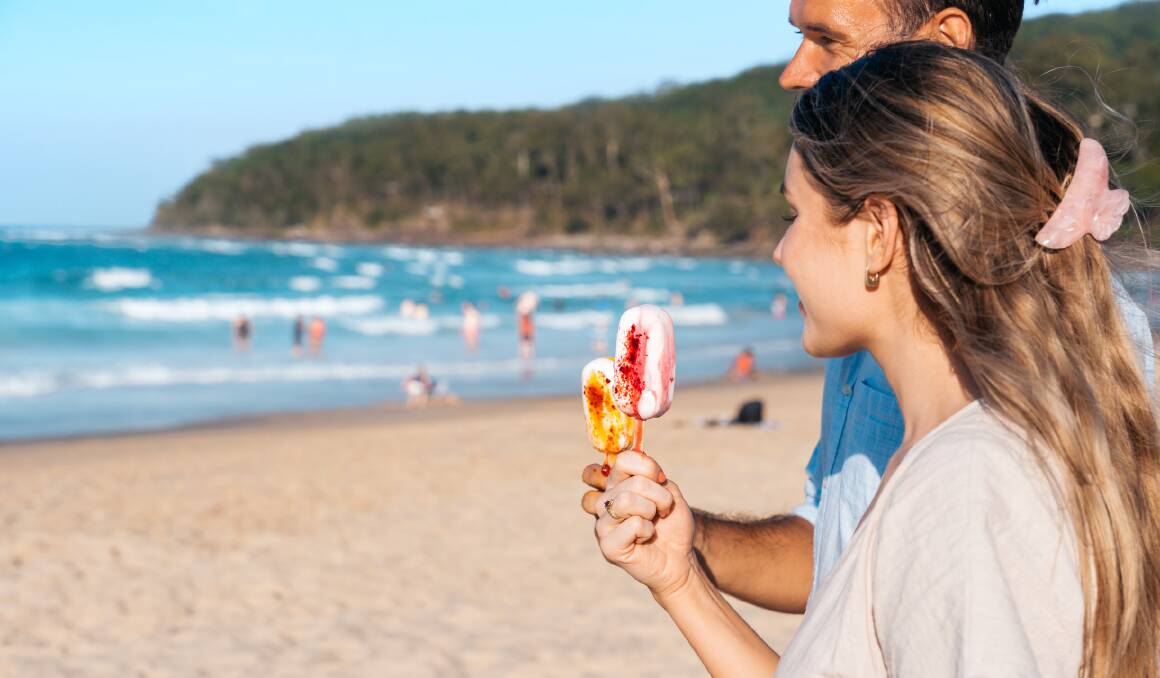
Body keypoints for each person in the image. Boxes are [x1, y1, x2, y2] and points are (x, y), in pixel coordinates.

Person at [592, 43, 1159, 675]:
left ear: (878, 234)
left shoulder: (966, 483)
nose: (781, 250)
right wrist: (680, 581)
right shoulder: (946, 456)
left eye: (794, 214)